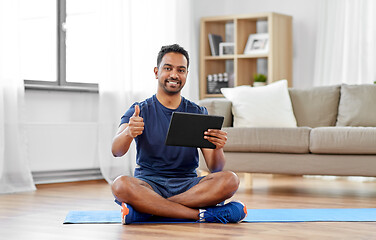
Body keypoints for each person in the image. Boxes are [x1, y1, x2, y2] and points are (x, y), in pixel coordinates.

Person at [111, 44, 247, 224]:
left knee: (231, 180)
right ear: (156, 72)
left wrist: (217, 148)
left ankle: (148, 210)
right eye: (168, 68)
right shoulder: (139, 110)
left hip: (189, 186)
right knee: (120, 185)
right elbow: (116, 151)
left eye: (181, 70)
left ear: (186, 75)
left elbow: (216, 168)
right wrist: (128, 132)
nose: (174, 75)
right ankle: (203, 214)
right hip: (149, 185)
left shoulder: (197, 112)